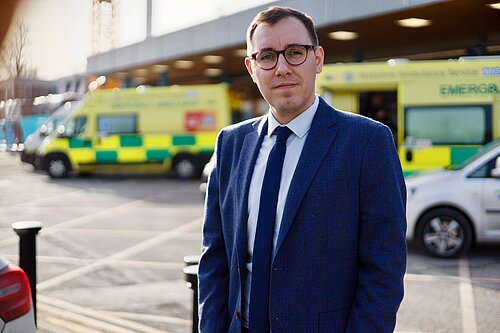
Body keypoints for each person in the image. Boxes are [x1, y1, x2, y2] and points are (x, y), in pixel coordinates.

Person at [198, 6, 407, 333]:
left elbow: (384, 268)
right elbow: (215, 259)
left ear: (318, 59)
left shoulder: (367, 141)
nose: (281, 68)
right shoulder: (231, 143)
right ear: (252, 68)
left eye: (294, 52)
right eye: (267, 56)